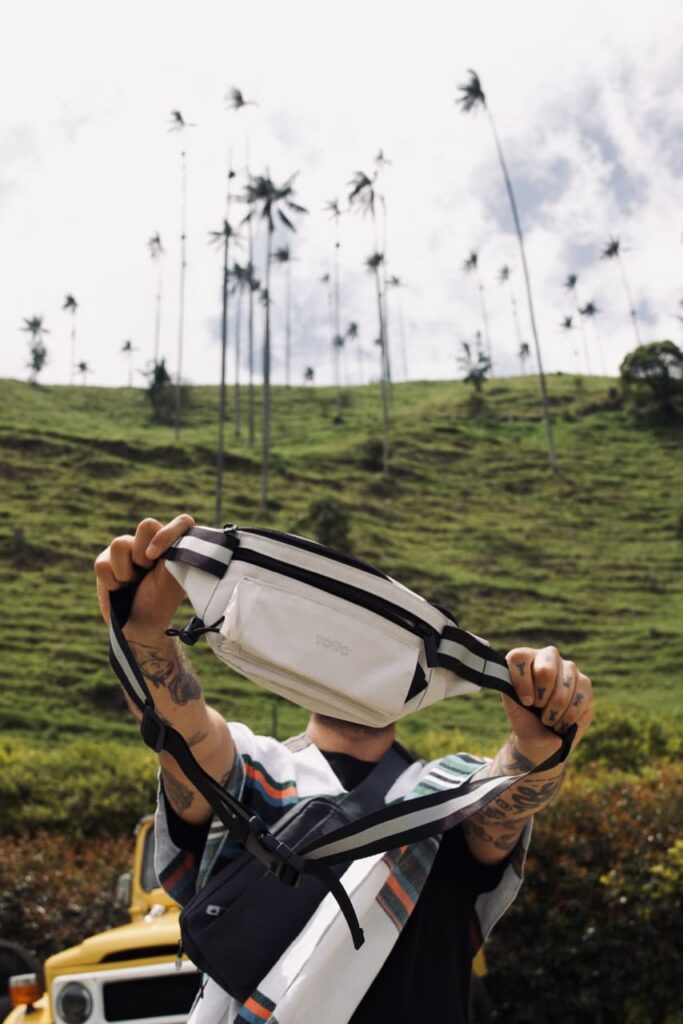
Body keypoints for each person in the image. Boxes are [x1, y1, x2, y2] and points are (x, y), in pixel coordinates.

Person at [95, 514, 595, 1024]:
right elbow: (185, 729)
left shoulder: (453, 796)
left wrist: (539, 742)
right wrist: (145, 637)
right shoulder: (255, 770)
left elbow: (508, 801)